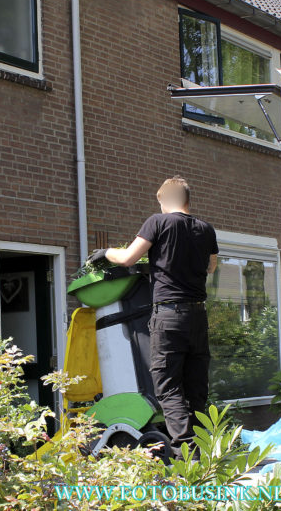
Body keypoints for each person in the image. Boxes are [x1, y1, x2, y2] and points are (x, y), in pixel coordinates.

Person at [88, 176, 218, 459]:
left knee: (168, 387)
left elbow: (127, 259)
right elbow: (210, 267)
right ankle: (205, 452)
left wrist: (104, 253)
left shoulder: (158, 222)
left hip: (169, 315)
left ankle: (186, 454)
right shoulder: (206, 229)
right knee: (196, 388)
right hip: (198, 315)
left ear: (164, 199)